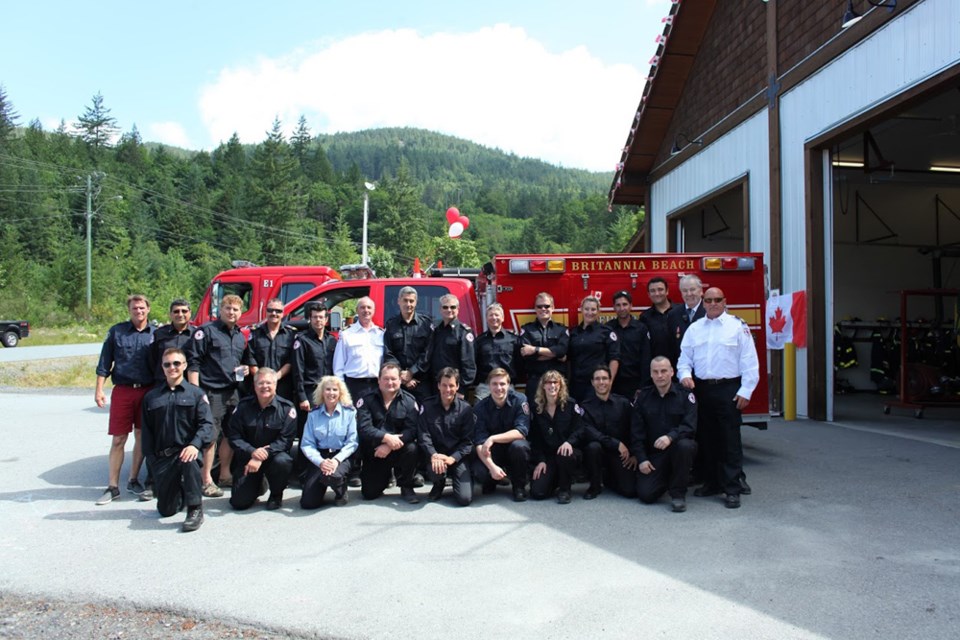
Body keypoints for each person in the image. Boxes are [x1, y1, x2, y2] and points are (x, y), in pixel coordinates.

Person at [677, 288, 759, 509]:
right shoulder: (695, 329)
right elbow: (684, 359)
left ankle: (732, 488)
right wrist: (685, 376)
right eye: (709, 300)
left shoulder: (737, 327)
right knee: (707, 439)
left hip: (728, 389)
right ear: (703, 303)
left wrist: (746, 391)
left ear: (725, 301)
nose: (713, 303)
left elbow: (750, 361)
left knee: (729, 441)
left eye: (717, 300)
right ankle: (712, 483)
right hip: (702, 389)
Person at [185, 293, 254, 497]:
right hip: (211, 392)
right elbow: (193, 363)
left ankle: (224, 474)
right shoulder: (206, 332)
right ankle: (206, 479)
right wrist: (197, 393)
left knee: (231, 434)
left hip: (233, 391)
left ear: (240, 312)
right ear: (220, 310)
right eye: (228, 308)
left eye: (235, 309)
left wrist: (246, 370)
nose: (231, 312)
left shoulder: (240, 336)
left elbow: (242, 362)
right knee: (210, 437)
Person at [140, 348, 213, 532]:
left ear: (184, 365)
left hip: (187, 451)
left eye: (176, 363)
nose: (172, 367)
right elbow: (146, 432)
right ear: (162, 368)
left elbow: (207, 425)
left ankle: (195, 510)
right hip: (163, 457)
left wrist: (194, 445)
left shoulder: (196, 394)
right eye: (167, 364)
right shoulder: (151, 397)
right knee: (166, 510)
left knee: (189, 461)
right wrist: (152, 460)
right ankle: (179, 492)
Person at [94, 294, 155, 505]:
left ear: (148, 309)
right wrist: (99, 390)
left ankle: (133, 479)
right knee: (119, 438)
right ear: (129, 310)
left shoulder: (156, 334)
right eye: (134, 308)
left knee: (141, 436)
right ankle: (112, 486)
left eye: (142, 308)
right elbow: (104, 363)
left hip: (147, 390)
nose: (138, 311)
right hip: (123, 390)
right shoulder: (117, 332)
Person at [631, 357, 698, 513]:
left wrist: (670, 437)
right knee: (646, 495)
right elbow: (636, 432)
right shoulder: (643, 398)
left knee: (685, 445)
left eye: (664, 371)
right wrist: (642, 459)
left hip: (678, 449)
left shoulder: (685, 396)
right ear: (651, 374)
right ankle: (669, 478)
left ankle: (678, 494)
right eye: (655, 372)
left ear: (672, 372)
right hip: (655, 455)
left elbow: (690, 426)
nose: (660, 375)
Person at [227, 368, 296, 511]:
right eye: (260, 383)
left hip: (273, 458)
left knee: (283, 461)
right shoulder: (243, 407)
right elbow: (234, 436)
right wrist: (252, 452)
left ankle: (276, 494)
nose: (265, 386)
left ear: (275, 385)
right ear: (254, 385)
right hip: (248, 459)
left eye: (269, 383)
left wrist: (261, 456)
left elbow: (285, 440)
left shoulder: (286, 408)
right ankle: (259, 484)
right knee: (239, 503)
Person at [356, 362, 421, 504]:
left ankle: (406, 486)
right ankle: (384, 478)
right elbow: (364, 428)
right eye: (386, 378)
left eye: (393, 379)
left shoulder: (409, 401)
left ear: (400, 380)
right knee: (369, 493)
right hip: (376, 452)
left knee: (412, 448)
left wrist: (389, 445)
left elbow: (412, 430)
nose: (390, 382)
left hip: (398, 449)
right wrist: (385, 437)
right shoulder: (366, 400)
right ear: (379, 380)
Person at [417, 367, 476, 505]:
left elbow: (468, 442)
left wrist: (452, 458)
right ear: (438, 385)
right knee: (435, 469)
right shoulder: (427, 406)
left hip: (457, 457)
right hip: (436, 456)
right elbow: (423, 435)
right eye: (444, 385)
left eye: (451, 385)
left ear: (457, 387)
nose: (447, 389)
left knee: (464, 499)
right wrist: (433, 455)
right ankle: (439, 484)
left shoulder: (466, 409)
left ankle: (462, 480)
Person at [472, 368, 532, 502]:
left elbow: (521, 432)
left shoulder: (520, 400)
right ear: (489, 386)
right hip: (493, 453)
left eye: (502, 384)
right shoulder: (480, 408)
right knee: (479, 471)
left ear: (509, 385)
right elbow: (479, 443)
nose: (499, 388)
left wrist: (493, 438)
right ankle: (492, 480)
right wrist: (491, 467)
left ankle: (519, 487)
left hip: (513, 451)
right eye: (494, 384)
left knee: (520, 447)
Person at [300, 376, 358, 509]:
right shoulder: (313, 414)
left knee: (333, 475)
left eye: (334, 390)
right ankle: (322, 483)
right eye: (327, 389)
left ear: (340, 392)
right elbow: (307, 444)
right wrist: (321, 462)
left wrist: (336, 461)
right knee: (308, 503)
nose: (331, 393)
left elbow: (352, 442)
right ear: (322, 392)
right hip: (321, 457)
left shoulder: (349, 412)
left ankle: (340, 491)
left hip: (341, 456)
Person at [580, 365, 637, 500]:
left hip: (620, 455)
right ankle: (594, 485)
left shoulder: (623, 403)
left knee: (630, 491)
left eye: (605, 378)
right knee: (593, 446)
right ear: (592, 382)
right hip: (598, 452)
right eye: (597, 379)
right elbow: (589, 431)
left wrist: (635, 454)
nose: (601, 382)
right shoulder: (585, 406)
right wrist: (615, 443)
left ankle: (609, 480)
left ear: (611, 381)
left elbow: (634, 429)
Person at [529, 371, 586, 504]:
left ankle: (565, 490)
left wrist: (569, 442)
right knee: (538, 492)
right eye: (548, 382)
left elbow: (581, 429)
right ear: (543, 386)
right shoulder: (537, 409)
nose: (552, 385)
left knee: (564, 454)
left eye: (556, 382)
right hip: (549, 456)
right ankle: (555, 480)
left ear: (561, 385)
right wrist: (541, 460)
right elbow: (535, 438)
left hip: (569, 453)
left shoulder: (571, 405)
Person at [383, 286, 434, 403]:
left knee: (424, 416)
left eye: (411, 301)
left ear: (416, 302)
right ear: (398, 301)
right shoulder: (391, 324)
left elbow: (428, 353)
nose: (408, 304)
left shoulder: (425, 324)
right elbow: (388, 352)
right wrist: (402, 374)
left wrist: (412, 372)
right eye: (405, 300)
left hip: (421, 381)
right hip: (397, 381)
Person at [291, 302, 337, 431]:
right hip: (310, 392)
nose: (318, 320)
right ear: (310, 319)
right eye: (315, 317)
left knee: (326, 430)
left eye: (321, 317)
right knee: (307, 432)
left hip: (329, 393)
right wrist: (302, 397)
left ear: (326, 319)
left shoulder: (332, 340)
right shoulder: (302, 340)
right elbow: (297, 371)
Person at [519, 292, 569, 404]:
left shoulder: (562, 329)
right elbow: (527, 356)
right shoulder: (526, 329)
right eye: (539, 306)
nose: (543, 309)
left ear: (553, 308)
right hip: (535, 381)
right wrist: (554, 355)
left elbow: (562, 351)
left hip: (556, 382)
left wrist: (535, 350)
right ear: (535, 309)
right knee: (535, 417)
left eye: (547, 306)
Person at [567, 295, 620, 402]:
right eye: (586, 309)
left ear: (598, 311)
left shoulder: (606, 332)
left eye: (593, 309)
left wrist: (608, 383)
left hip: (597, 385)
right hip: (576, 386)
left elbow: (614, 359)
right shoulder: (574, 333)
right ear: (581, 310)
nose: (589, 312)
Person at [333, 296, 383, 406]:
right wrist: (342, 391)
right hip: (354, 386)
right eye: (362, 307)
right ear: (357, 311)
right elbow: (338, 367)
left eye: (369, 308)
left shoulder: (381, 334)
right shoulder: (346, 334)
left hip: (377, 386)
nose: (366, 311)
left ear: (374, 311)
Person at [246, 298, 296, 403]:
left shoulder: (290, 335)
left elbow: (291, 361)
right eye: (270, 310)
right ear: (266, 312)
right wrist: (263, 380)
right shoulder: (255, 333)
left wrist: (275, 378)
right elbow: (250, 359)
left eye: (278, 311)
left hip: (282, 385)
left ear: (283, 314)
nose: (274, 313)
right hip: (260, 387)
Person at [606, 290, 651, 400]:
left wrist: (642, 386)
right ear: (614, 307)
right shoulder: (608, 328)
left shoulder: (641, 328)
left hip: (635, 383)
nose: (622, 308)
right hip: (614, 383)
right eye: (618, 305)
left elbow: (646, 358)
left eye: (625, 304)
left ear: (631, 306)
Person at [426, 293, 476, 389]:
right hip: (435, 385)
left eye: (452, 307)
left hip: (453, 387)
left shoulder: (464, 332)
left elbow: (469, 364)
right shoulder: (435, 330)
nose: (449, 310)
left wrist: (461, 388)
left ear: (458, 309)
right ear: (440, 309)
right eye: (445, 307)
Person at [474, 303, 521, 400]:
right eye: (490, 315)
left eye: (497, 315)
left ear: (503, 318)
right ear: (486, 318)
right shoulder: (479, 341)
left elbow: (519, 363)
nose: (494, 317)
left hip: (507, 386)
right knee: (479, 413)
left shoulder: (513, 340)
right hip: (485, 387)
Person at [149, 298, 194, 385]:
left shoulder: (196, 335)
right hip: (162, 384)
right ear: (170, 314)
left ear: (190, 313)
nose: (180, 314)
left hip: (188, 385)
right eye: (176, 311)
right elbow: (152, 360)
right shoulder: (159, 334)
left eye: (184, 311)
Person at [667, 274, 705, 366]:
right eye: (684, 290)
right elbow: (671, 347)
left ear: (701, 291)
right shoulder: (673, 314)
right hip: (683, 370)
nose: (689, 294)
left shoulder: (710, 312)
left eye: (692, 289)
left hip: (705, 371)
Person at [640, 277, 675, 361]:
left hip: (679, 365)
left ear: (667, 291)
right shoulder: (645, 317)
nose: (657, 293)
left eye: (660, 289)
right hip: (657, 367)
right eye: (652, 291)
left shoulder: (680, 312)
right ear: (648, 294)